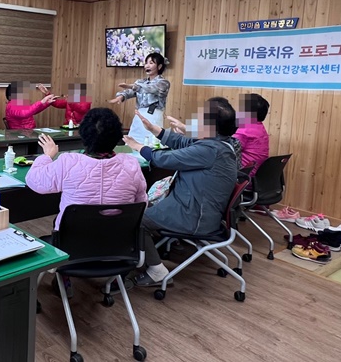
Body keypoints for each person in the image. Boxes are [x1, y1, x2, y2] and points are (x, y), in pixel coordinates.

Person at [122, 98, 238, 287]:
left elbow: (164, 159)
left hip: (194, 216)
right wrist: (154, 129)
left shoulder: (210, 150)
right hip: (200, 208)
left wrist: (137, 146)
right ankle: (146, 253)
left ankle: (156, 271)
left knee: (134, 219)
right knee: (143, 207)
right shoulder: (220, 143)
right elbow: (184, 141)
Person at [26, 107, 147, 231]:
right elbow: (141, 204)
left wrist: (47, 155)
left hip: (71, 242)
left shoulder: (67, 162)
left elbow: (34, 180)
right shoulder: (132, 165)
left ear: (83, 134)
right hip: (120, 242)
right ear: (118, 137)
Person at [109, 52, 170, 146]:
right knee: (133, 142)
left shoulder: (163, 83)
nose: (147, 66)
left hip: (153, 117)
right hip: (139, 116)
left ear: (159, 66)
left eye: (151, 63)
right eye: (146, 63)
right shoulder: (141, 82)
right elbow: (130, 92)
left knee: (151, 143)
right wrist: (121, 96)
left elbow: (151, 88)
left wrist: (133, 86)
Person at [234, 93, 270, 177]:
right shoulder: (260, 127)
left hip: (244, 177)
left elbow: (228, 150)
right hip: (256, 176)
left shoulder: (245, 130)